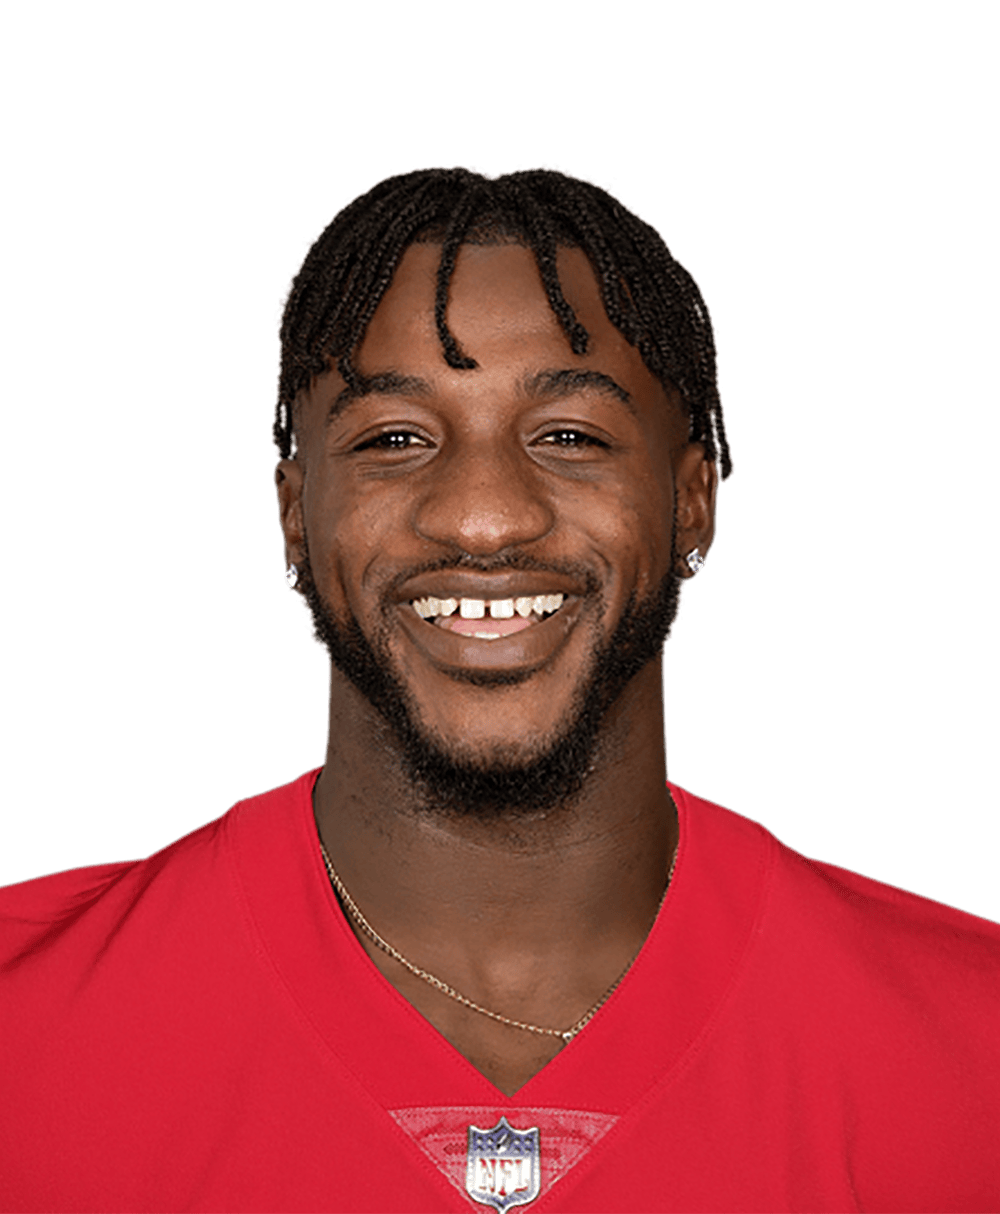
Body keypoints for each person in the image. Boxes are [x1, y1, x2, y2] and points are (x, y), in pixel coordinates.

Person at [2, 166, 997, 1213]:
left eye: (569, 436)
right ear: (294, 512)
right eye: (394, 438)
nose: (482, 519)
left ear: (692, 499)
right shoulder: (26, 1034)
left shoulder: (969, 1052)